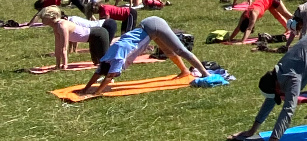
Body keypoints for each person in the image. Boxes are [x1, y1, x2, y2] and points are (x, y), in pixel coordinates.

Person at [79, 16, 209, 96]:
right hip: (148, 27)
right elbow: (98, 73)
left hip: (154, 26)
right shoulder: (106, 59)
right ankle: (184, 71)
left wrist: (96, 93)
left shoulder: (117, 59)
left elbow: (108, 78)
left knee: (180, 50)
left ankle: (205, 73)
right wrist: (85, 89)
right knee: (167, 51)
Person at [39, 6, 116, 69]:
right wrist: (57, 65)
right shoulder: (55, 27)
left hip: (99, 34)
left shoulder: (62, 26)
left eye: (43, 17)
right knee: (96, 61)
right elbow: (57, 47)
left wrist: (65, 65)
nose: (41, 19)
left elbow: (64, 48)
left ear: (52, 17)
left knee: (104, 62)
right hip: (92, 37)